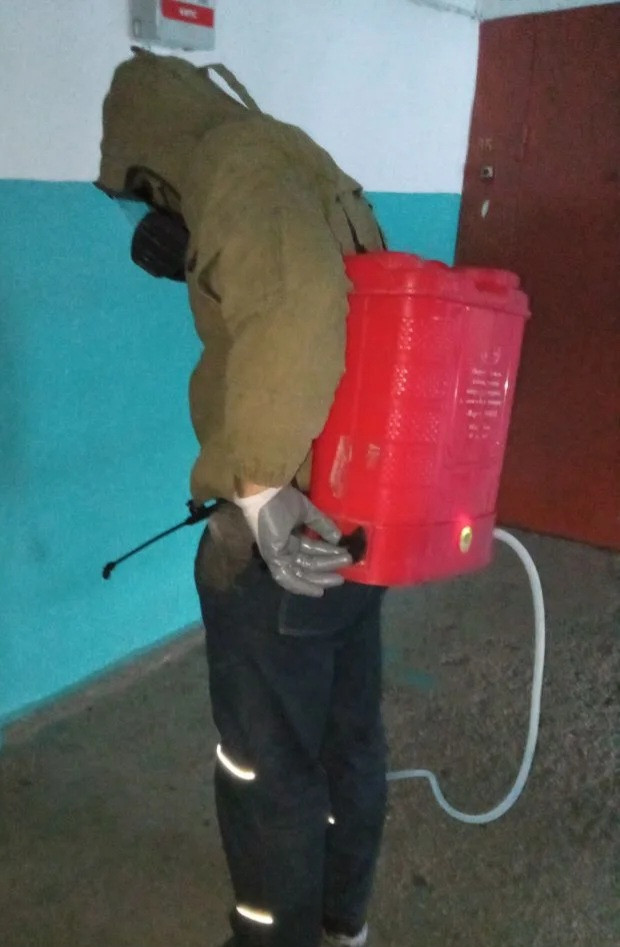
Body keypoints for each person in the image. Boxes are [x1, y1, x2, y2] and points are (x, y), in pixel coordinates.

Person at [96, 50, 388, 947]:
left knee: (267, 767)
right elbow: (321, 278)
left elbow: (298, 302)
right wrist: (197, 248)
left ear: (152, 160)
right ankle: (340, 924)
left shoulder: (232, 162)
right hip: (357, 502)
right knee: (346, 739)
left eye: (142, 194)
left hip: (289, 523)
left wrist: (258, 490)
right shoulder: (286, 154)